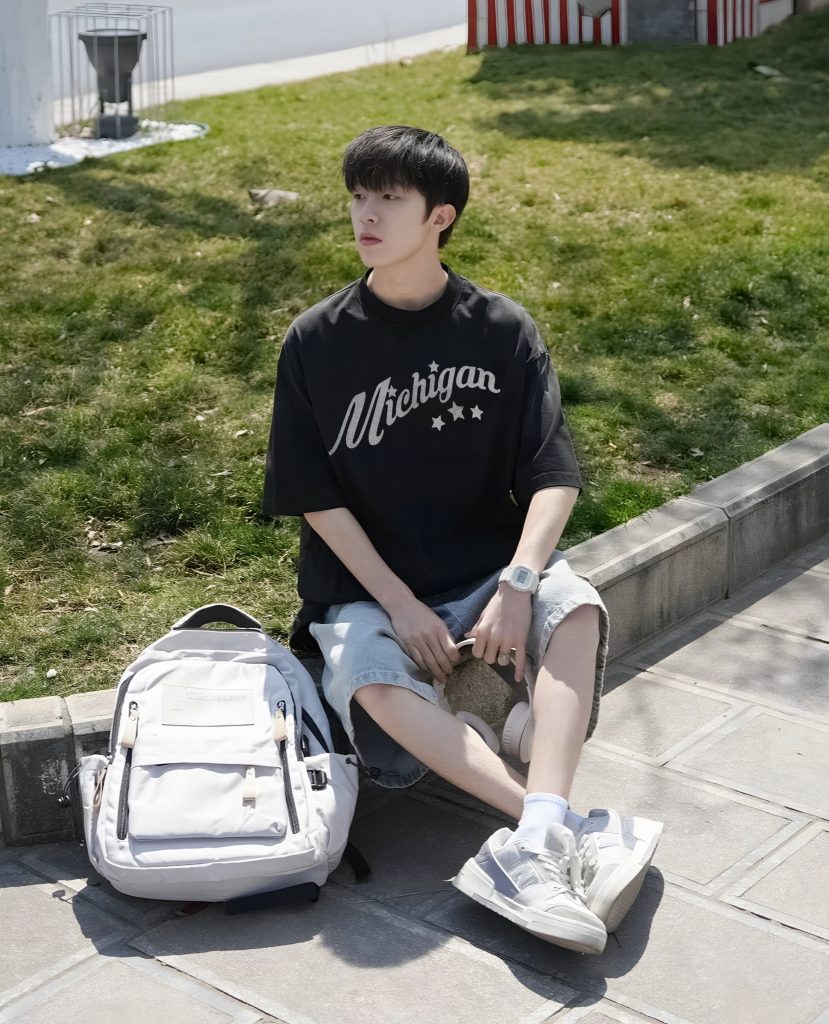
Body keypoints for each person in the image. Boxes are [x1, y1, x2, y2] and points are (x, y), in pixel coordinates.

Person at [262, 125, 662, 954]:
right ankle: (553, 825)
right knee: (367, 676)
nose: (366, 216)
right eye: (358, 196)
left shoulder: (501, 329)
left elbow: (554, 473)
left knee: (576, 606)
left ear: (439, 216)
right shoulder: (316, 339)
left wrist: (519, 581)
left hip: (484, 571)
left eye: (390, 199)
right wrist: (398, 602)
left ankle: (534, 835)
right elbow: (312, 496)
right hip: (365, 588)